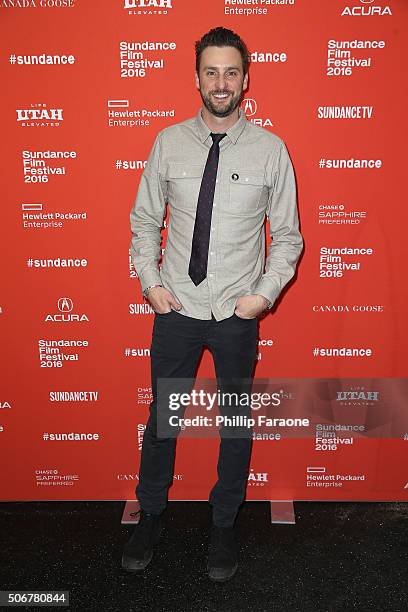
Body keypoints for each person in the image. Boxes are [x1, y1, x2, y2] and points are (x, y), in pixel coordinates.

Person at [122, 26, 303, 582]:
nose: (220, 82)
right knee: (163, 422)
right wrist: (151, 283)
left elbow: (289, 237)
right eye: (210, 71)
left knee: (234, 424)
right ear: (196, 77)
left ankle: (224, 522)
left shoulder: (272, 150)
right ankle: (151, 514)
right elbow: (145, 221)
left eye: (230, 72)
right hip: (175, 309)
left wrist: (262, 297)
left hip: (234, 315)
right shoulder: (167, 143)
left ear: (245, 80)